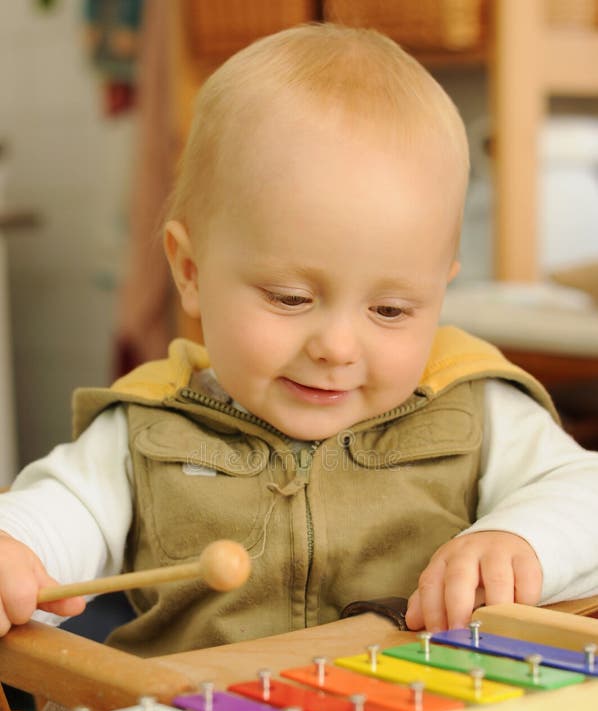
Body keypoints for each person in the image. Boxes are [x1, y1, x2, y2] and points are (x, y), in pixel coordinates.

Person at [1, 22, 597, 655]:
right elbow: (54, 514)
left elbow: (583, 496)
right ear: (190, 271)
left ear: (440, 293)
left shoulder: (473, 404)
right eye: (290, 299)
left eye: (391, 310)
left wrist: (517, 540)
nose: (337, 347)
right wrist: (15, 549)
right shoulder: (147, 425)